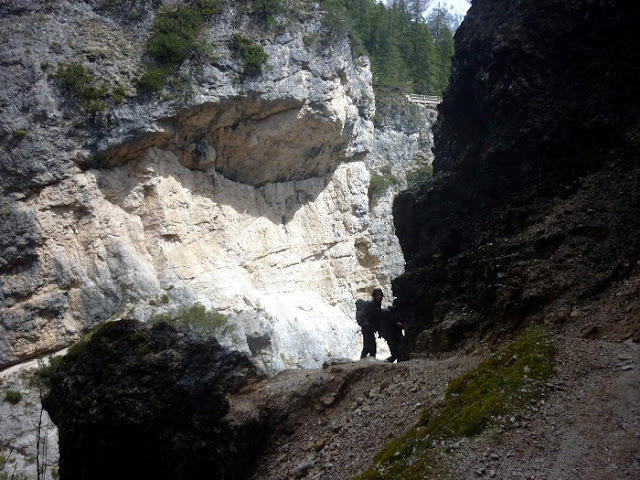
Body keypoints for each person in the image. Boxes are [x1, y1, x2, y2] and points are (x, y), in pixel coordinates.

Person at [357, 288, 384, 359]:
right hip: (367, 329)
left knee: (367, 347)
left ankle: (363, 362)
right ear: (374, 296)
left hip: (369, 329)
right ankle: (368, 364)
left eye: (380, 295)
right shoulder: (373, 305)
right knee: (371, 348)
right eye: (377, 295)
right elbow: (373, 318)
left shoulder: (377, 305)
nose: (379, 296)